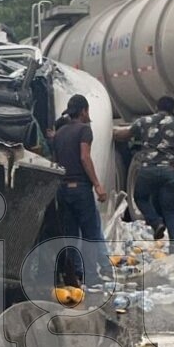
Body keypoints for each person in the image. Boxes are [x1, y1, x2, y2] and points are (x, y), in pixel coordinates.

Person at [115, 96, 174, 249]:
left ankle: (156, 222)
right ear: (173, 109)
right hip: (170, 172)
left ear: (156, 107)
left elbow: (125, 135)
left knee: (139, 197)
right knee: (171, 210)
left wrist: (111, 133)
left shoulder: (144, 121)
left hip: (148, 170)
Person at [51, 95, 109, 284]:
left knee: (71, 235)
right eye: (87, 110)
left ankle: (75, 274)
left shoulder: (59, 133)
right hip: (80, 189)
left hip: (63, 189)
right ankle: (92, 277)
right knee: (90, 233)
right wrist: (97, 185)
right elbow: (85, 157)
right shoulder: (84, 130)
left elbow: (55, 162)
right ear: (84, 111)